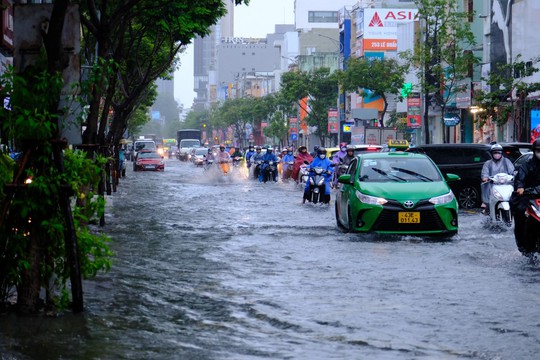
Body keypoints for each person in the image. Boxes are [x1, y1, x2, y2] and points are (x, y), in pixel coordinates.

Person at [512, 138, 540, 252]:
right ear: (534, 151)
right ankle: (523, 245)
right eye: (539, 150)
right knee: (519, 213)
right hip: (529, 197)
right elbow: (520, 178)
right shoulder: (527, 164)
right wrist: (520, 187)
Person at [481, 143, 514, 214]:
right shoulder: (488, 163)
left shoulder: (506, 161)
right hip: (493, 186)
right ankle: (487, 207)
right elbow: (485, 173)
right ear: (492, 153)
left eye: (499, 152)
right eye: (495, 152)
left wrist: (514, 176)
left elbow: (512, 172)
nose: (497, 154)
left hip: (506, 185)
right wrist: (485, 178)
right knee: (487, 193)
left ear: (501, 153)